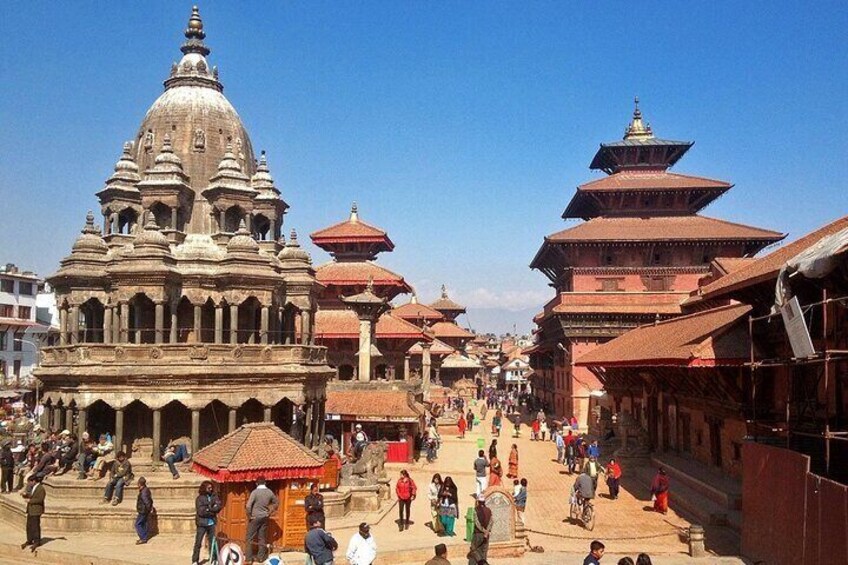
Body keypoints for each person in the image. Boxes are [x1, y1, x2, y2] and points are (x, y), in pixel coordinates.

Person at [245, 476, 279, 563]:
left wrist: (249, 516)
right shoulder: (269, 492)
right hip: (265, 517)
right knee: (262, 537)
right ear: (265, 483)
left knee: (249, 538)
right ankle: (260, 558)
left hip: (255, 517)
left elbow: (248, 506)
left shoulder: (255, 492)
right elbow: (276, 503)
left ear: (256, 483)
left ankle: (249, 559)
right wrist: (270, 511)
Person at [191, 480, 222, 565]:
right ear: (204, 488)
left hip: (211, 523)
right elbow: (201, 512)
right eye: (209, 488)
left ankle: (213, 558)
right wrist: (212, 510)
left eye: (211, 488)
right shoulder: (199, 498)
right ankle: (195, 560)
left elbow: (218, 507)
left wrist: (209, 509)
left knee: (213, 542)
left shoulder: (214, 496)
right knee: (198, 542)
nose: (211, 489)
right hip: (202, 524)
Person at [20, 474, 45, 552]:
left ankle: (37, 541)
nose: (29, 484)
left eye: (30, 482)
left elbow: (40, 499)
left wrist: (30, 501)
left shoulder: (41, 488)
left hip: (36, 510)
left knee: (35, 526)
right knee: (29, 525)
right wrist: (25, 495)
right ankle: (29, 540)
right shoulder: (33, 488)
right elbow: (31, 495)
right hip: (31, 510)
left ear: (34, 481)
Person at [467, 495, 492, 565]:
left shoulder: (475, 510)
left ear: (478, 502)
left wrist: (483, 530)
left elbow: (477, 522)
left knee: (474, 550)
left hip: (477, 534)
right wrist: (486, 532)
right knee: (484, 552)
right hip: (486, 535)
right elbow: (491, 522)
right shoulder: (489, 510)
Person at [135, 476, 154, 545]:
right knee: (144, 523)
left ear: (139, 484)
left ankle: (143, 538)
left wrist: (150, 508)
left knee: (138, 524)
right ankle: (145, 537)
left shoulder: (143, 492)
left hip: (143, 510)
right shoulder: (146, 489)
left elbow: (146, 501)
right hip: (145, 510)